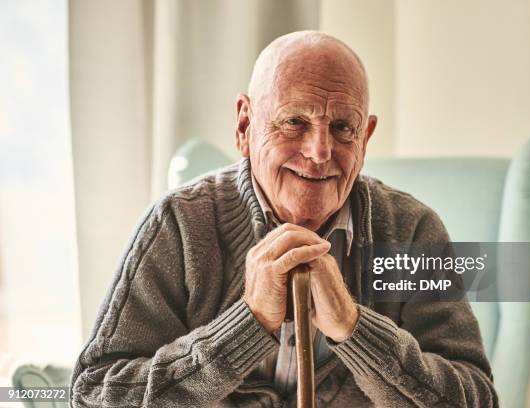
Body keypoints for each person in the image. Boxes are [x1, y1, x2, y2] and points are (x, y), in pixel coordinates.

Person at [70, 31, 497, 407]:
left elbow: (476, 398)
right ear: (244, 125)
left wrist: (354, 329)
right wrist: (246, 324)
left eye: (343, 128)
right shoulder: (180, 225)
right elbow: (92, 395)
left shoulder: (412, 232)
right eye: (294, 122)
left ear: (365, 138)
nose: (320, 152)